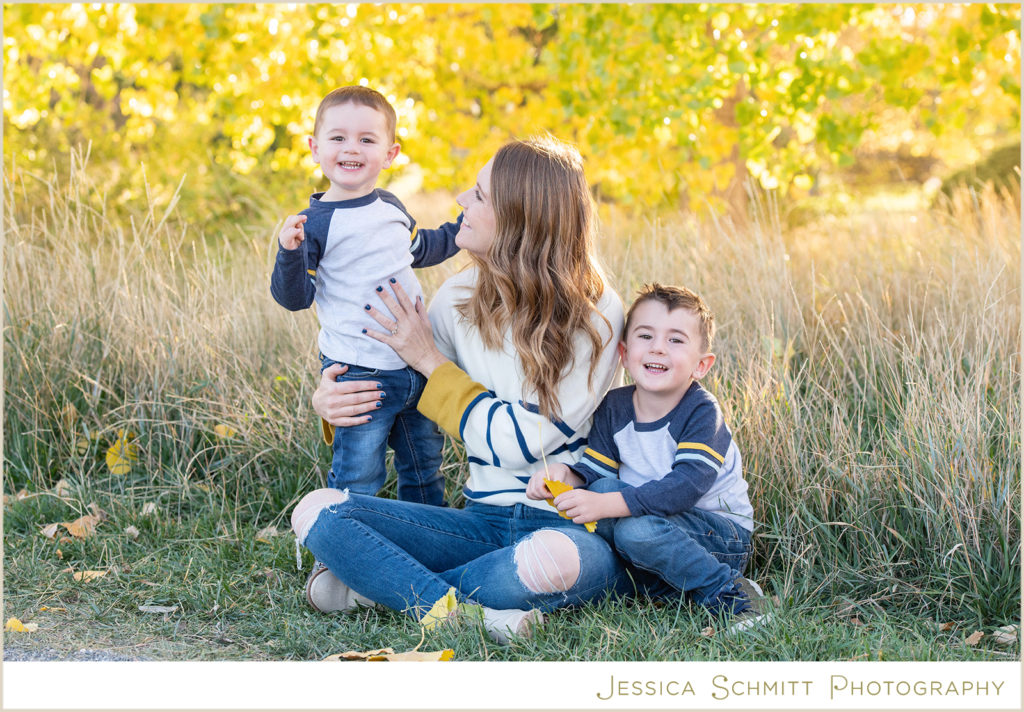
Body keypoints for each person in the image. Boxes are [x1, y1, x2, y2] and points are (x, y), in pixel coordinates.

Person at [290, 136, 637, 643]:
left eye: (478, 195)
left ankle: (382, 588)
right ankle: (472, 616)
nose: (460, 203)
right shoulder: (455, 298)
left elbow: (527, 444)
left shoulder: (596, 312)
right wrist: (332, 400)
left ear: (520, 216)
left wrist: (431, 362)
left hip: (564, 525)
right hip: (477, 524)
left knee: (557, 562)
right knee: (317, 509)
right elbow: (405, 391)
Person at [526, 283, 769, 632]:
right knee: (613, 497)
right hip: (649, 522)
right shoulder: (615, 407)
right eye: (645, 336)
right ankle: (667, 587)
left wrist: (609, 503)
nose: (658, 348)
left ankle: (731, 591)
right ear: (624, 353)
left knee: (635, 531)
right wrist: (567, 477)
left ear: (701, 365)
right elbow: (597, 473)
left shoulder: (702, 413)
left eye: (675, 340)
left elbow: (682, 489)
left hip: (719, 536)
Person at [271, 85, 462, 507]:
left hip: (418, 362)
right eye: (337, 138)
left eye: (366, 139)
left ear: (390, 154)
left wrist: (463, 230)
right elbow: (295, 297)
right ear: (315, 149)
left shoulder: (392, 206)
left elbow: (420, 249)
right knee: (359, 473)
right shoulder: (314, 223)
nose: (351, 148)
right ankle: (340, 551)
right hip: (360, 373)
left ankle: (428, 537)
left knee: (424, 465)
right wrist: (288, 252)